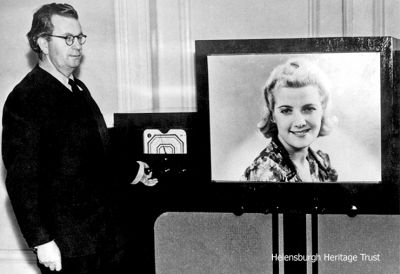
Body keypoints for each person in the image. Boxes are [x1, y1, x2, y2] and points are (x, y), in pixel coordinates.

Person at [2, 3, 157, 273]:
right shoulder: (26, 98)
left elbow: (92, 154)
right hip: (69, 249)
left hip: (103, 239)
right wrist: (41, 241)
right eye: (68, 38)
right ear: (43, 43)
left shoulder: (76, 86)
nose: (77, 46)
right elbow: (21, 180)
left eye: (80, 38)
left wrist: (133, 170)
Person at [242, 58, 338, 182]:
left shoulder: (321, 163)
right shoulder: (264, 174)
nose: (299, 122)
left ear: (322, 111)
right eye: (286, 111)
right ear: (272, 115)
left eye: (308, 108)